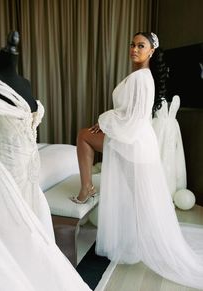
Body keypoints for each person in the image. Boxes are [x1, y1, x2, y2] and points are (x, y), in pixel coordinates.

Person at [72, 32, 203, 290]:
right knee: (138, 199)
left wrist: (103, 121)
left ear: (151, 51)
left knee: (84, 138)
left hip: (131, 142)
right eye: (132, 44)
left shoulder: (142, 79)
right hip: (134, 142)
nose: (134, 49)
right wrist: (106, 122)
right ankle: (127, 235)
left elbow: (132, 119)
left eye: (140, 46)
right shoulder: (141, 77)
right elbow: (127, 113)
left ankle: (87, 188)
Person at [0, 31, 92, 290]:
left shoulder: (25, 82)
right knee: (9, 231)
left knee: (31, 232)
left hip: (28, 170)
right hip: (5, 168)